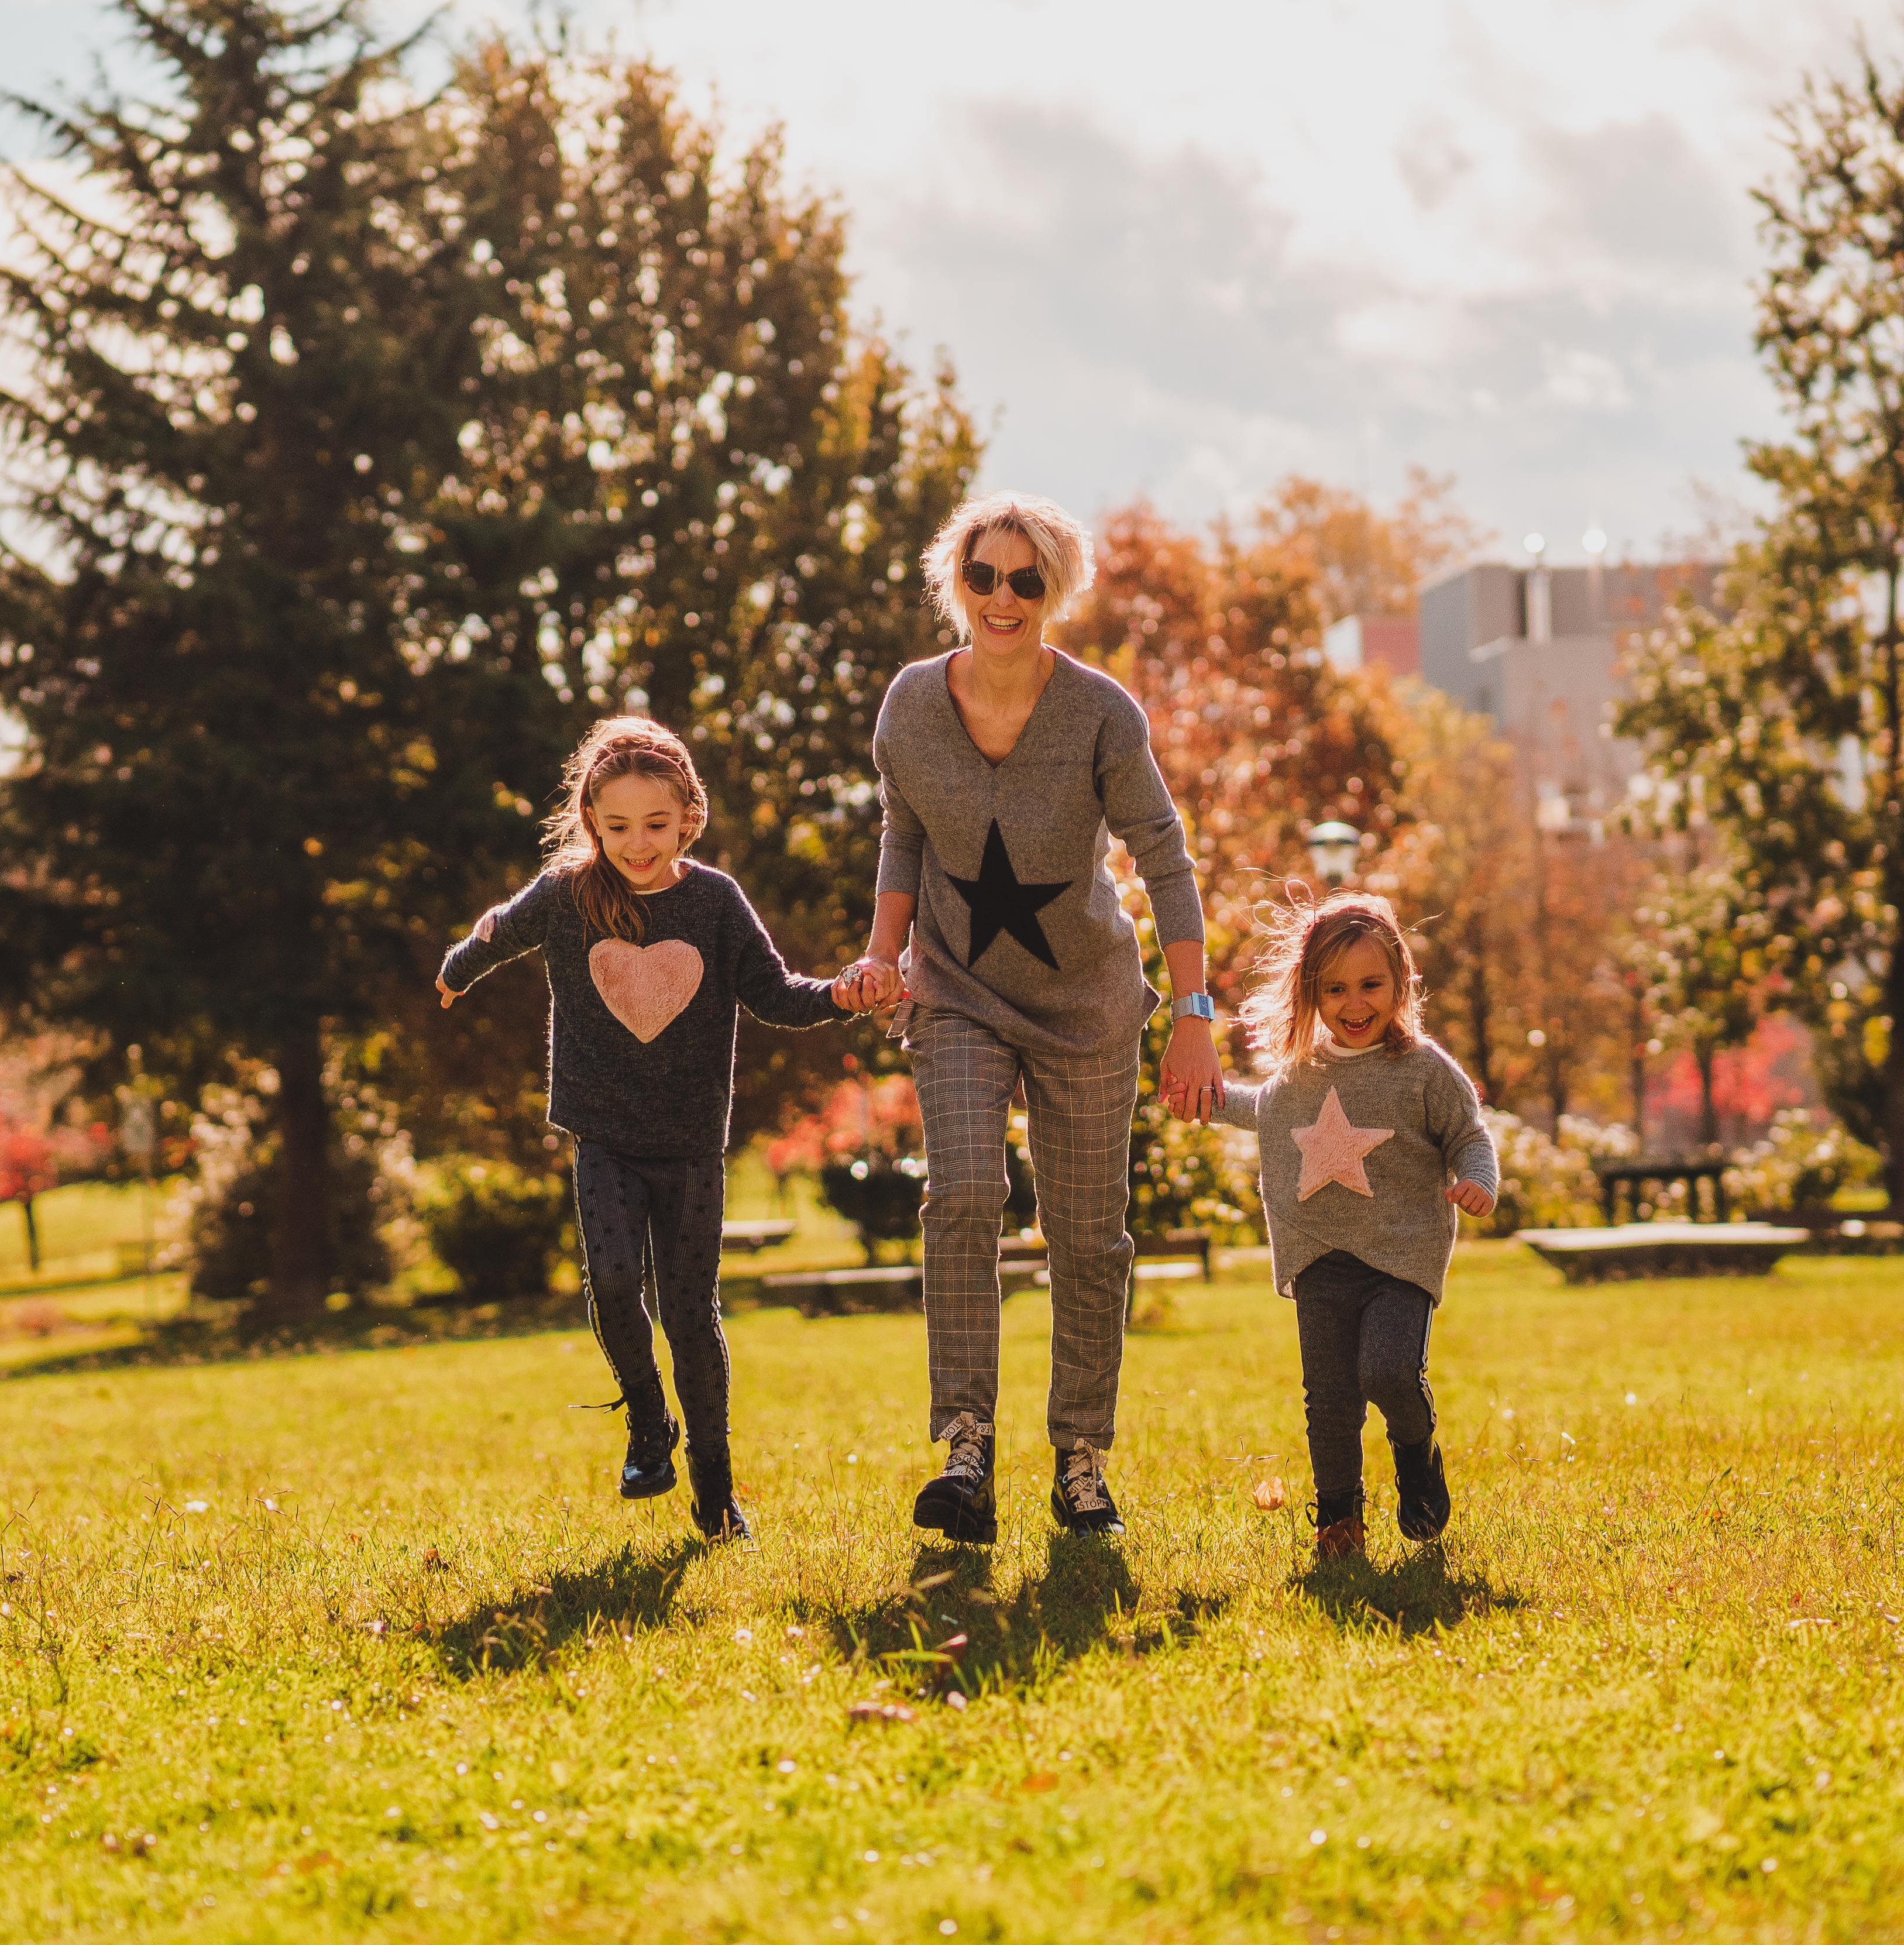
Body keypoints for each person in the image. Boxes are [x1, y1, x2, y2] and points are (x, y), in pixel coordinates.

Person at [838, 490, 1221, 1545]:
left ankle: (1079, 1453)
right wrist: (882, 954)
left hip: (1088, 1001)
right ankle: (965, 1442)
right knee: (962, 1190)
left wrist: (1192, 1013)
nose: (1001, 598)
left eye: (1024, 579)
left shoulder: (1101, 714)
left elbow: (1166, 860)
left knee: (1088, 1238)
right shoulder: (910, 704)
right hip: (956, 990)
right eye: (981, 576)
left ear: (1054, 591)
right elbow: (900, 836)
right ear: (953, 585)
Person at [439, 716, 858, 1541]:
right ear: (592, 819)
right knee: (614, 1280)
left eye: (657, 826)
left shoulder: (714, 902)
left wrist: (840, 994)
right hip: (604, 1136)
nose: (638, 844)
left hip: (692, 1142)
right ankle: (646, 1423)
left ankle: (716, 1493)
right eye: (619, 826)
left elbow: (773, 994)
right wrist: (458, 970)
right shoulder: (568, 895)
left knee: (692, 1313)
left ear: (690, 818)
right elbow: (500, 930)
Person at [1211, 891, 1497, 1562]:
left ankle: (1417, 1454)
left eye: (1371, 984)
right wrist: (1210, 1098)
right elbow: (1266, 1112)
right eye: (1335, 989)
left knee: (1389, 1371)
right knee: (1330, 1401)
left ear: (1401, 981)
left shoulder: (1424, 1070)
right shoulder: (1300, 1075)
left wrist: (1478, 1181)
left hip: (1400, 1256)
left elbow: (1469, 1135)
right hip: (1320, 1258)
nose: (1354, 1003)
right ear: (1312, 993)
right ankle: (1340, 1519)